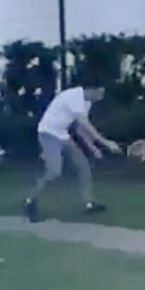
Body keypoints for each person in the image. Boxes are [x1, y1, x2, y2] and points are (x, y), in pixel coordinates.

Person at [23, 84, 122, 222]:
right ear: (91, 89)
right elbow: (86, 124)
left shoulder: (86, 103)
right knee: (54, 170)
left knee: (83, 165)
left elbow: (81, 130)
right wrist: (106, 143)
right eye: (100, 93)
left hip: (63, 135)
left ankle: (89, 203)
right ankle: (31, 200)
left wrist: (93, 149)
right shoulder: (74, 96)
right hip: (48, 133)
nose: (100, 98)